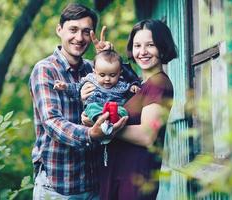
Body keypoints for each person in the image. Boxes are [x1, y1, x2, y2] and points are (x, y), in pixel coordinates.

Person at [29, 3, 130, 199]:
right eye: (73, 30)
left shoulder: (94, 69)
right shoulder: (45, 70)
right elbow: (52, 122)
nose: (79, 38)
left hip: (93, 185)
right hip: (58, 186)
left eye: (86, 32)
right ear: (59, 30)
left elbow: (125, 89)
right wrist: (91, 133)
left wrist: (108, 55)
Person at [82, 19, 177, 199]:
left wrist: (103, 129)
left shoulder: (159, 84)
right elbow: (123, 76)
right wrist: (106, 54)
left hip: (134, 182)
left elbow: (147, 135)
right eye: (137, 45)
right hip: (121, 176)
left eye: (150, 45)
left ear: (162, 47)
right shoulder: (141, 85)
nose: (142, 52)